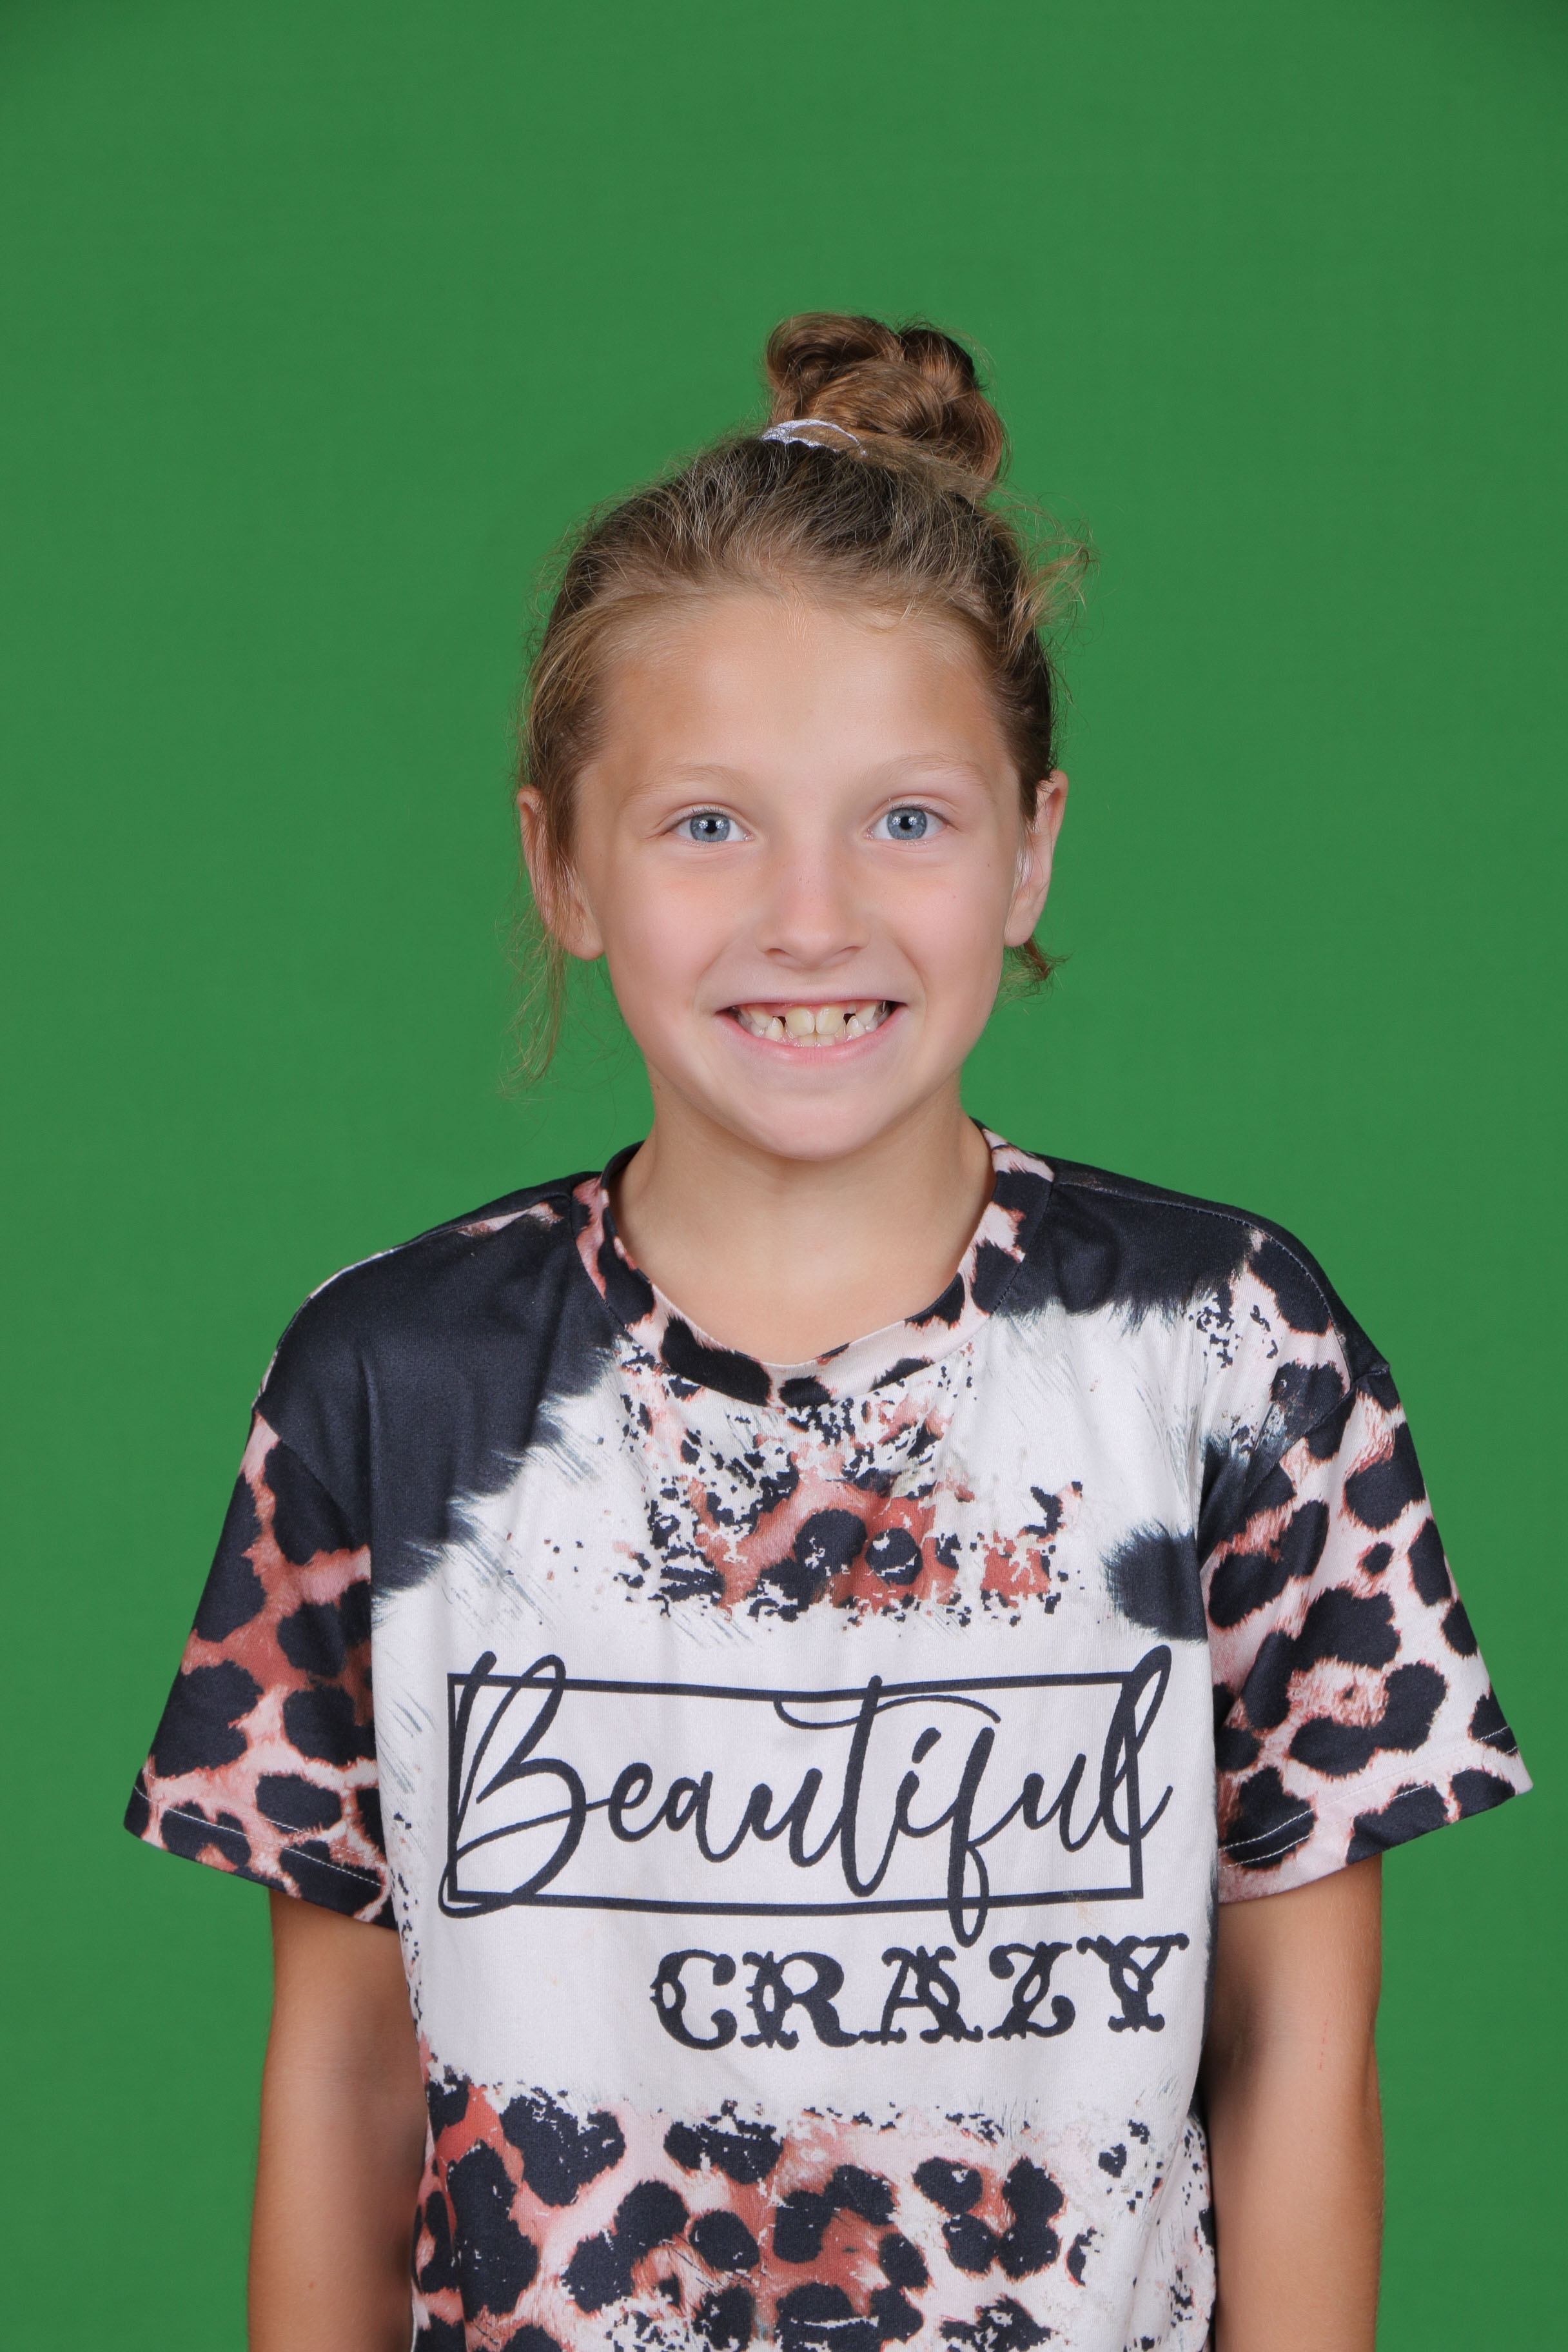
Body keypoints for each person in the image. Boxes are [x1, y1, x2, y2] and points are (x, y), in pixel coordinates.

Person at [127, 313, 1529, 2352]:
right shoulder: (392, 1385)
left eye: (907, 820)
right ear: (562, 864)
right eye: (708, 824)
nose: (811, 916)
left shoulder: (1228, 1356)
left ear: (1032, 844)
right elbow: (343, 2074)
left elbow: (1298, 2051)